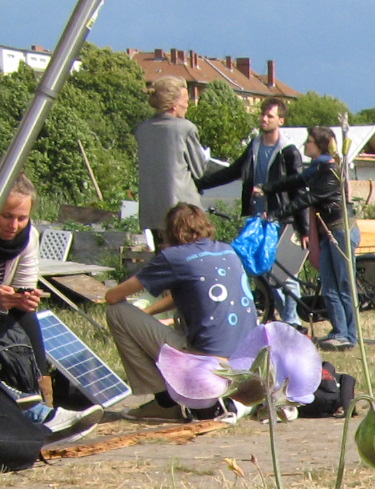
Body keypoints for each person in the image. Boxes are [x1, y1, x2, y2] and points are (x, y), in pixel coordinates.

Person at [99, 202, 259, 419]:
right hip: (246, 361)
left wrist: (139, 319)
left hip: (207, 363)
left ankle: (164, 402)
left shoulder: (174, 257)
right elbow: (191, 293)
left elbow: (113, 296)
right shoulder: (226, 250)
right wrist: (147, 317)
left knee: (116, 312)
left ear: (171, 232)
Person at [0, 178, 98, 445]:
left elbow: (24, 285)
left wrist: (24, 298)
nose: (14, 225)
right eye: (7, 216)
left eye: (21, 218)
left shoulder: (27, 236)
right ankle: (33, 411)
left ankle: (39, 398)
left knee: (26, 318)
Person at [197, 97, 306, 324]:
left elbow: (298, 190)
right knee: (259, 268)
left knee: (283, 271)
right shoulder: (255, 146)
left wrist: (303, 228)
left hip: (280, 218)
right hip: (257, 217)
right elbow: (233, 172)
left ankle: (292, 319)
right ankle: (278, 317)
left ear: (281, 120)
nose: (264, 119)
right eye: (263, 114)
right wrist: (200, 183)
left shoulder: (288, 151)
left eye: (270, 116)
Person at [264, 126, 357, 349]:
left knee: (343, 285)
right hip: (327, 232)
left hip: (340, 231)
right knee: (328, 285)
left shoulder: (331, 169)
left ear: (321, 145)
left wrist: (276, 214)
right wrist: (267, 188)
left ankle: (350, 336)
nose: (306, 144)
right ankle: (338, 331)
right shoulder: (317, 167)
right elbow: (295, 182)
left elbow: (307, 198)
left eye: (310, 141)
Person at [134, 77, 228, 240]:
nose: (188, 105)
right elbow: (199, 170)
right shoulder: (185, 128)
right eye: (186, 100)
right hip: (183, 212)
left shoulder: (142, 130)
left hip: (152, 211)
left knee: (164, 257)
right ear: (174, 105)